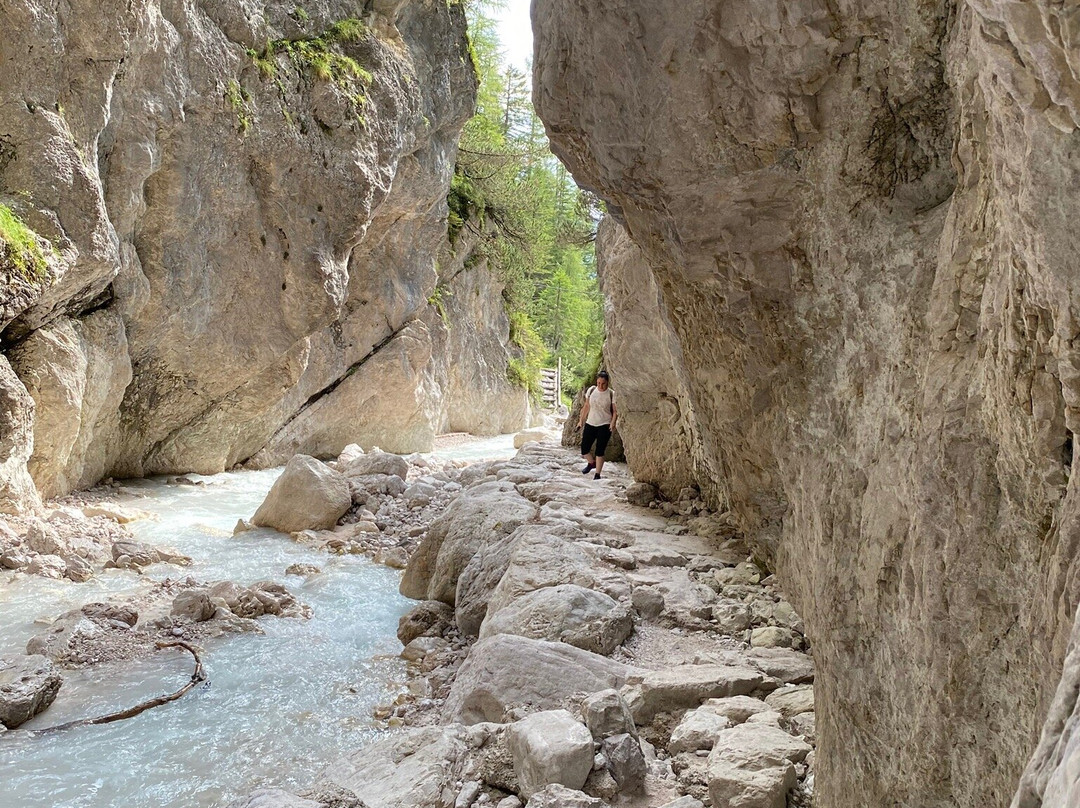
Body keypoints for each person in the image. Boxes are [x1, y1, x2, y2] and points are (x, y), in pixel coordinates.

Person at [579, 370, 617, 480]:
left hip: (605, 424)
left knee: (600, 450)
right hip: (591, 422)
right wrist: (581, 420)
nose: (600, 385)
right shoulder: (591, 390)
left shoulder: (611, 393)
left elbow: (615, 411)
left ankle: (597, 474)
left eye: (603, 383)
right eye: (598, 383)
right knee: (584, 448)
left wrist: (613, 422)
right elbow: (586, 406)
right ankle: (591, 463)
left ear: (607, 383)